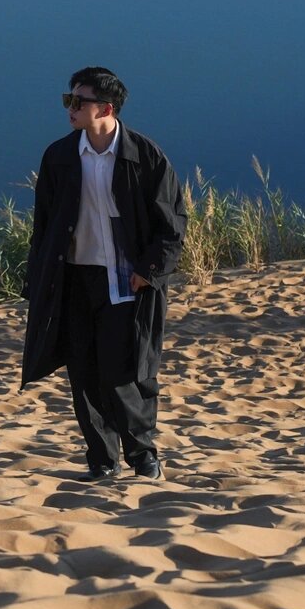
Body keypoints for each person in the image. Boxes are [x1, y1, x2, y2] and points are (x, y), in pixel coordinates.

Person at [21, 66, 186, 482]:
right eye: (69, 99)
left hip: (127, 281)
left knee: (127, 370)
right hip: (74, 280)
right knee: (84, 372)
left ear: (107, 109)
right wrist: (38, 281)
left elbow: (172, 226)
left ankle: (143, 456)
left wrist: (148, 271)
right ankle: (101, 459)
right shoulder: (59, 157)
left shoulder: (145, 157)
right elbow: (44, 227)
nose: (70, 108)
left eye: (79, 101)